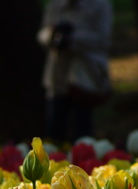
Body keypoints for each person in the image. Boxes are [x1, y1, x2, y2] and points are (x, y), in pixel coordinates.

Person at [38, 0, 113, 143]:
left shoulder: (100, 5)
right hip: (57, 74)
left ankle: (84, 160)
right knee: (55, 126)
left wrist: (72, 38)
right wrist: (52, 35)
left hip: (85, 75)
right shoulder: (54, 5)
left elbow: (103, 39)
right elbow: (42, 33)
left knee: (82, 126)